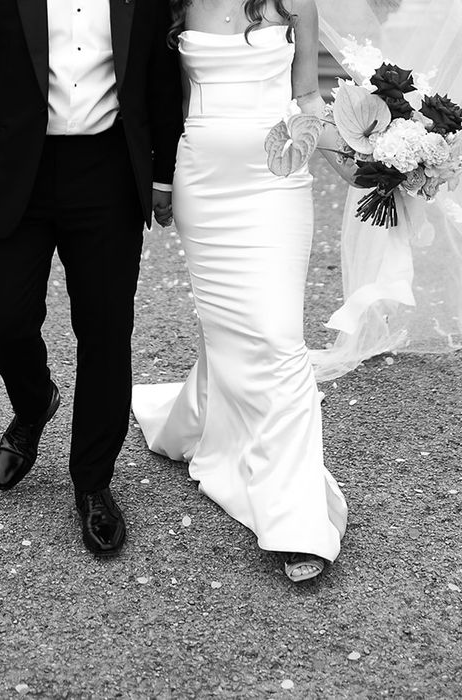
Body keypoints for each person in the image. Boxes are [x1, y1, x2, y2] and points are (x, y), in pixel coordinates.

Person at [0, 0, 183, 558]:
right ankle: (34, 400)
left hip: (109, 173)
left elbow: (161, 78)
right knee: (1, 316)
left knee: (106, 331)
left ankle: (93, 481)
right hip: (12, 169)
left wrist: (163, 173)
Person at [132, 0, 352, 582]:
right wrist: (161, 178)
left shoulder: (293, 3)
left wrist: (370, 164)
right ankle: (206, 421)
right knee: (228, 328)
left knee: (278, 336)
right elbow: (171, 102)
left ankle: (297, 519)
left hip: (276, 181)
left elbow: (308, 99)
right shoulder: (177, 3)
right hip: (203, 184)